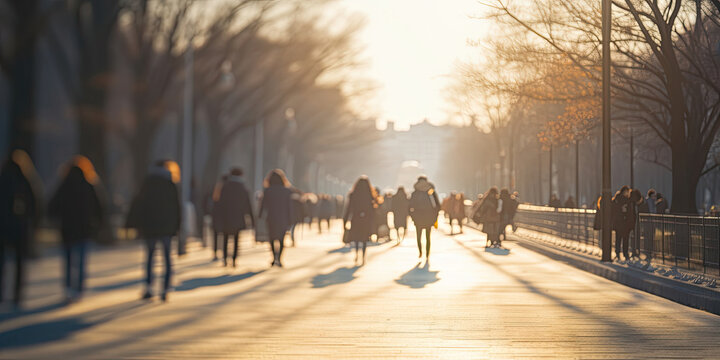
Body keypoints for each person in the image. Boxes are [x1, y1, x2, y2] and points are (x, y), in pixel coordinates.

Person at [48, 156, 103, 303]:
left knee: (67, 261)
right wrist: (98, 223)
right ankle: (78, 289)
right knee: (80, 261)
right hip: (84, 229)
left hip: (67, 229)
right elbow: (99, 206)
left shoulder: (64, 185)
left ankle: (68, 288)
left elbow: (52, 206)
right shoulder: (89, 185)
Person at [127, 160, 181, 302]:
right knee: (167, 258)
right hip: (167, 228)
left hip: (149, 227)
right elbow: (177, 207)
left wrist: (135, 224)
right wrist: (177, 226)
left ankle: (149, 287)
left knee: (150, 257)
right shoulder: (171, 184)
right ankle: (165, 288)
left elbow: (139, 204)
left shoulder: (147, 183)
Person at [0, 150, 41, 307]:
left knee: (1, 262)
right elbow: (35, 203)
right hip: (20, 227)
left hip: (2, 227)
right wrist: (33, 223)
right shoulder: (25, 179)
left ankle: (1, 293)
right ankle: (17, 294)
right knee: (19, 263)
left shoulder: (2, 178)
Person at [215, 167, 254, 267]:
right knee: (236, 239)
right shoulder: (243, 187)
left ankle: (224, 258)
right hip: (238, 217)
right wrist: (251, 219)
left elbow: (220, 203)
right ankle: (234, 259)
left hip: (226, 217)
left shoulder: (225, 186)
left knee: (225, 238)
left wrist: (218, 217)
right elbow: (248, 205)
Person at [259, 169, 293, 267]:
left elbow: (263, 205)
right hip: (283, 217)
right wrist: (291, 219)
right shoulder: (287, 191)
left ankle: (274, 258)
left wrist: (260, 215)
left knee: (272, 238)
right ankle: (280, 258)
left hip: (271, 217)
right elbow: (289, 206)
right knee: (282, 239)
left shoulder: (267, 190)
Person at [343, 176, 377, 264]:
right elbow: (373, 210)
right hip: (366, 220)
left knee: (357, 238)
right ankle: (363, 256)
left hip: (356, 219)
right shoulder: (370, 195)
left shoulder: (353, 194)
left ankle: (357, 254)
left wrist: (345, 220)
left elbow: (349, 208)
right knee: (364, 239)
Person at [409, 176, 440, 259]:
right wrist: (434, 217)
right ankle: (427, 254)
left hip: (418, 218)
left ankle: (420, 252)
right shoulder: (431, 191)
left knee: (418, 236)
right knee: (428, 237)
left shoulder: (415, 193)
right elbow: (438, 205)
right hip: (429, 217)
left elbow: (409, 207)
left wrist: (413, 217)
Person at [209, 174, 228, 260]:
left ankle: (216, 252)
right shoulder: (228, 189)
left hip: (216, 215)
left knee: (216, 235)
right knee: (225, 236)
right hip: (225, 216)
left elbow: (212, 201)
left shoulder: (217, 188)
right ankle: (224, 253)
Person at [612, 186, 632, 261]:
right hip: (624, 222)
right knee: (625, 239)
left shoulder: (616, 199)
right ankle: (625, 254)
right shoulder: (626, 200)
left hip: (619, 223)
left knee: (618, 238)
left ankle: (618, 253)